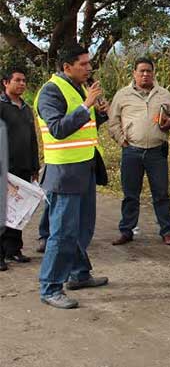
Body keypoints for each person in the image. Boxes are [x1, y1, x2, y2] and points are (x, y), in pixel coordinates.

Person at [35, 45, 110, 309]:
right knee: (62, 233)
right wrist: (87, 104)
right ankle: (50, 287)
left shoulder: (78, 89)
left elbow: (82, 127)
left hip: (84, 168)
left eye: (89, 63)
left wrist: (99, 113)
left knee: (82, 228)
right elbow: (58, 128)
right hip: (64, 173)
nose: (89, 68)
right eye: (84, 64)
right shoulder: (50, 91)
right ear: (67, 67)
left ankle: (79, 274)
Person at [108, 58, 170, 246]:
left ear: (153, 73)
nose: (145, 74)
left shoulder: (163, 93)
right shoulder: (123, 95)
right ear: (134, 73)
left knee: (161, 193)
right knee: (130, 194)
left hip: (157, 152)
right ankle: (126, 230)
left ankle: (167, 231)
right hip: (131, 151)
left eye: (149, 71)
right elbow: (113, 121)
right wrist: (121, 139)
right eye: (141, 71)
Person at [0, 66, 39, 271]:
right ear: (6, 83)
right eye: (17, 80)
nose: (22, 84)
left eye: (24, 80)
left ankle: (13, 250)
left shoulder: (26, 108)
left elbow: (32, 139)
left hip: (23, 168)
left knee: (19, 211)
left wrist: (35, 165)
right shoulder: (1, 106)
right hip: (4, 168)